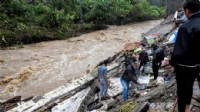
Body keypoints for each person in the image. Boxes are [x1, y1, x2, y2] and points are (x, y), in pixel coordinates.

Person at [170, 0, 200, 112]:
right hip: (197, 65)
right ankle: (187, 107)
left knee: (182, 91)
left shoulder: (185, 27)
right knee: (190, 86)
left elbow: (179, 52)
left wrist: (172, 62)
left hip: (184, 67)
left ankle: (183, 109)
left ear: (187, 10)